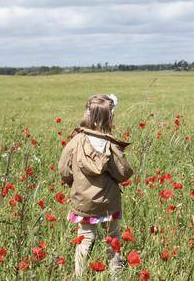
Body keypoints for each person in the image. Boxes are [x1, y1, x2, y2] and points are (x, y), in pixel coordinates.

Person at [58, 94, 134, 277]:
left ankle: (79, 275)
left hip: (83, 201)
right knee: (113, 238)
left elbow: (63, 170)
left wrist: (75, 184)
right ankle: (115, 274)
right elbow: (124, 174)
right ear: (110, 118)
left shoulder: (76, 141)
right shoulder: (110, 145)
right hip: (109, 202)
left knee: (85, 237)